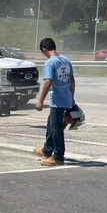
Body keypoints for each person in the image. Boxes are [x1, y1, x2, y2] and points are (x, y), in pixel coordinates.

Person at [34, 37, 75, 166]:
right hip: (66, 98)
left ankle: (58, 157)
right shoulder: (66, 60)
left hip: (57, 101)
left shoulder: (50, 63)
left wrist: (40, 100)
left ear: (44, 50)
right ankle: (47, 150)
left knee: (56, 129)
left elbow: (48, 81)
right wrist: (71, 98)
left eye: (43, 53)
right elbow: (72, 81)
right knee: (51, 125)